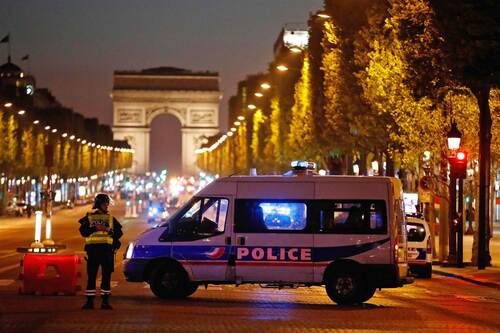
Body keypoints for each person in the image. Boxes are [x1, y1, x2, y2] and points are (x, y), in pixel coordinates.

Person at [79, 194, 123, 310]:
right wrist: (98, 229)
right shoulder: (97, 218)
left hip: (101, 252)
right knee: (99, 276)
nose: (107, 206)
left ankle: (97, 302)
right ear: (100, 204)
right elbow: (83, 232)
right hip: (99, 252)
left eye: (107, 204)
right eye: (105, 204)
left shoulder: (103, 218)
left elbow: (118, 234)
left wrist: (108, 232)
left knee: (99, 276)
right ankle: (98, 302)